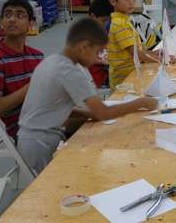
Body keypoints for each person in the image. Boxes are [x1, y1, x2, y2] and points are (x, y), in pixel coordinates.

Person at [17, 18, 158, 174]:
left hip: (29, 138)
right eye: (98, 53)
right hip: (41, 143)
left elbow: (52, 106)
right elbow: (104, 113)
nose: (98, 59)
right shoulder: (70, 71)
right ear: (84, 47)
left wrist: (91, 113)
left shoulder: (51, 61)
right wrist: (140, 103)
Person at [0, 0, 44, 139]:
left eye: (20, 15)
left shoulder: (37, 56)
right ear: (1, 23)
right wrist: (31, 86)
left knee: (91, 120)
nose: (12, 19)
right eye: (7, 15)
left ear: (31, 23)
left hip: (44, 116)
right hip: (26, 129)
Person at [107, 0, 175, 90]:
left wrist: (153, 53)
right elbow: (136, 54)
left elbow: (136, 51)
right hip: (124, 81)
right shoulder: (120, 24)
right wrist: (162, 60)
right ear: (113, 2)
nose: (131, 2)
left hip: (132, 73)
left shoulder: (124, 20)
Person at [87, 0, 114, 88]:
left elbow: (106, 46)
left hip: (104, 72)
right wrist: (103, 62)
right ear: (93, 16)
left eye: (107, 21)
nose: (105, 24)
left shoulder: (100, 30)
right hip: (96, 78)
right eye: (103, 20)